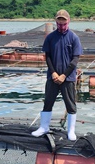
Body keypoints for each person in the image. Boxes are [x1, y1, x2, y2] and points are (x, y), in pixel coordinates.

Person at [31, 9, 83, 141]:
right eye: (59, 24)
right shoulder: (50, 37)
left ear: (68, 22)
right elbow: (47, 56)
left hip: (68, 78)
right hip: (52, 77)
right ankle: (44, 127)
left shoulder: (74, 38)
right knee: (48, 102)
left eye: (64, 23)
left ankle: (71, 131)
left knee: (70, 104)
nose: (61, 26)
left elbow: (75, 60)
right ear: (56, 22)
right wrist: (53, 72)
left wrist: (64, 75)